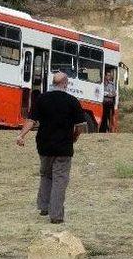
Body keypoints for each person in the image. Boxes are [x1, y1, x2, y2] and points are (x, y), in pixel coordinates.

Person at [16, 72, 87, 224]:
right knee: (60, 180)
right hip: (63, 147)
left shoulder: (41, 99)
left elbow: (31, 120)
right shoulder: (72, 101)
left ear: (53, 83)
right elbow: (81, 125)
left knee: (46, 175)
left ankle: (43, 207)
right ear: (66, 83)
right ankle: (56, 216)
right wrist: (74, 136)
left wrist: (21, 135)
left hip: (44, 145)